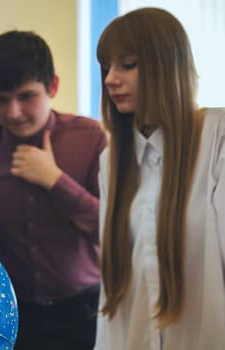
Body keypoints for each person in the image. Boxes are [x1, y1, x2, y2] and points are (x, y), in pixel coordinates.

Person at [0, 30, 107, 349]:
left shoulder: (91, 138)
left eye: (26, 97)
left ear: (52, 86)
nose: (13, 112)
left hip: (86, 311)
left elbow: (111, 231)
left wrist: (55, 181)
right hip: (10, 314)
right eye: (0, 100)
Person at [95, 8, 225, 350]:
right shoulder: (111, 163)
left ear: (166, 65)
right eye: (107, 66)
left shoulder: (217, 138)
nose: (110, 79)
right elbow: (112, 294)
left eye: (128, 64)